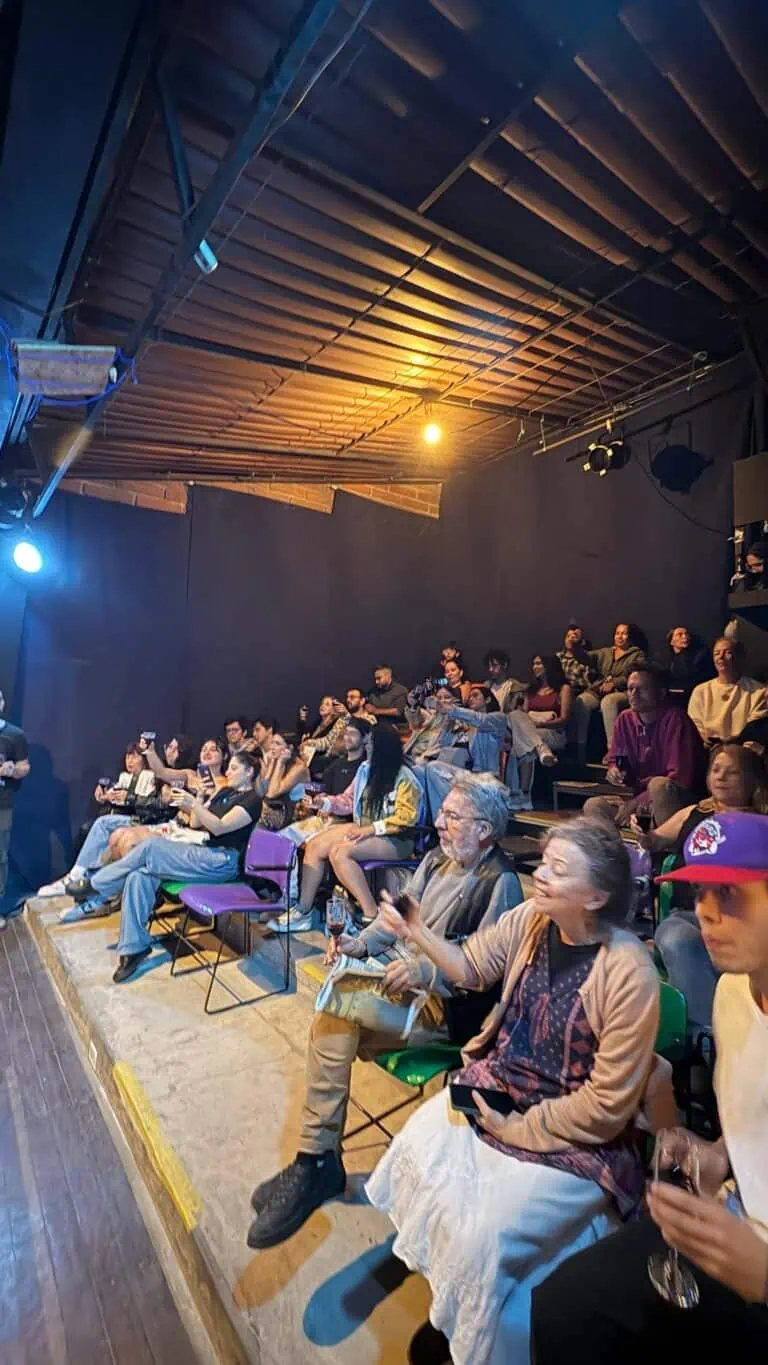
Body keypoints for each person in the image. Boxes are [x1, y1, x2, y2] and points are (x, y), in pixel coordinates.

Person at [364, 816, 660, 1365]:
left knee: (483, 1234)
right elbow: (470, 968)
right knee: (417, 1153)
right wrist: (417, 931)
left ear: (596, 896)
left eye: (558, 869)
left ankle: (481, 1335)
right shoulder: (530, 920)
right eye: (543, 862)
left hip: (577, 1132)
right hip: (506, 1084)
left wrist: (522, 1129)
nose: (540, 874)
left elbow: (607, 1106)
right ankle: (458, 1311)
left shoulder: (628, 971)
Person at [247, 772, 524, 1251]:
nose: (439, 823)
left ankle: (317, 1161)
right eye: (443, 813)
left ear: (484, 829)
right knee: (333, 1013)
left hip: (447, 1011)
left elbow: (485, 972)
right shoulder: (436, 861)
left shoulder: (502, 882)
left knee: (335, 1017)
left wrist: (425, 972)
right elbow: (393, 921)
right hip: (403, 988)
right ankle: (315, 1158)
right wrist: (357, 944)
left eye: (453, 816)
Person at [531, 809, 768, 1363]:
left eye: (729, 893)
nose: (705, 912)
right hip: (732, 1223)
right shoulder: (733, 995)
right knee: (564, 1306)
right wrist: (718, 1155)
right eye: (699, 893)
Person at [68, 751, 263, 982]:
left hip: (223, 861)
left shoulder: (252, 800)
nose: (228, 772)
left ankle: (97, 885)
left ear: (249, 772)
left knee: (151, 847)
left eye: (234, 768)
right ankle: (134, 948)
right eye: (229, 767)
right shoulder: (225, 792)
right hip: (203, 851)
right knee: (139, 875)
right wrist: (200, 798)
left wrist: (194, 804)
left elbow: (220, 827)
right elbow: (196, 822)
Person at [640, 743, 768, 1032]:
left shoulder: (762, 827)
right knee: (676, 936)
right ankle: (706, 1036)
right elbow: (655, 839)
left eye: (731, 772)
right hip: (686, 914)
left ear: (751, 780)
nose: (720, 777)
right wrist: (644, 834)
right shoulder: (695, 812)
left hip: (744, 917)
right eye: (716, 770)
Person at [268, 725, 422, 933]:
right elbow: (348, 800)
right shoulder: (365, 770)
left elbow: (406, 818)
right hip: (365, 826)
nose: (367, 747)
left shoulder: (404, 777)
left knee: (340, 852)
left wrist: (370, 829)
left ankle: (370, 914)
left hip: (396, 837)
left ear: (384, 747)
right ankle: (303, 911)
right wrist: (325, 803)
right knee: (315, 844)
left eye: (371, 743)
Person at [583, 664, 704, 829]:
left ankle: (664, 843)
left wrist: (636, 803)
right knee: (594, 806)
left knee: (659, 786)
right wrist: (614, 770)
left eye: (642, 689)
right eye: (630, 689)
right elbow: (616, 758)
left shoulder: (676, 720)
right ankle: (619, 844)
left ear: (661, 693)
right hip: (638, 798)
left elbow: (679, 779)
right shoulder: (624, 719)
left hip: (673, 800)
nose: (634, 694)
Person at [422, 686, 508, 819]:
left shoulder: (498, 718)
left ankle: (444, 819)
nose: (471, 699)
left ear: (488, 699)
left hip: (483, 776)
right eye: (470, 696)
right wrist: (448, 719)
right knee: (419, 770)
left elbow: (480, 720)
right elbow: (443, 744)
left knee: (434, 768)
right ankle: (431, 819)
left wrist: (452, 710)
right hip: (463, 774)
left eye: (475, 695)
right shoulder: (465, 725)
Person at [688, 637, 768, 745]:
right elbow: (695, 723)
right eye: (716, 653)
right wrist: (707, 741)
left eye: (728, 653)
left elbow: (755, 728)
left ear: (739, 657)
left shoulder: (758, 690)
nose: (720, 657)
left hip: (742, 749)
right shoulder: (701, 691)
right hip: (707, 748)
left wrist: (733, 741)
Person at [589, 623, 647, 749]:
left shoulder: (637, 654)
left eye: (624, 633)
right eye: (617, 633)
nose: (620, 636)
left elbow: (634, 674)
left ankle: (613, 748)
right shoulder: (605, 652)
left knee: (609, 702)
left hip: (624, 691)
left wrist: (615, 683)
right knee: (582, 702)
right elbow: (586, 658)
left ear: (630, 636)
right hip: (600, 689)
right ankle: (578, 746)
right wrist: (575, 647)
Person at [0, 687, 30, 927]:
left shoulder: (14, 735)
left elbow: (24, 766)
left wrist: (12, 770)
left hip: (3, 804)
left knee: (0, 856)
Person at [557, 625, 601, 761]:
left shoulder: (586, 658)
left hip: (579, 691)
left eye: (574, 636)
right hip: (560, 691)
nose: (571, 639)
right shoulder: (557, 658)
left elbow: (591, 679)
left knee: (579, 703)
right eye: (568, 636)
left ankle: (579, 746)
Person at [404, 685, 465, 764]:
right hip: (408, 756)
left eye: (447, 697)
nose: (442, 701)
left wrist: (421, 759)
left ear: (455, 700)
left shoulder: (458, 723)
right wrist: (412, 705)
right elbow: (415, 723)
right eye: (439, 698)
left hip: (426, 762)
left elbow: (444, 749)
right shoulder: (432, 716)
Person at [524, 654, 573, 753]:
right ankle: (545, 754)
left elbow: (564, 719)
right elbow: (523, 714)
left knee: (526, 737)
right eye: (534, 664)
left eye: (538, 664)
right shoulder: (531, 689)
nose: (534, 667)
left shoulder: (563, 688)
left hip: (554, 732)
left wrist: (540, 724)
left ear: (548, 665)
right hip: (531, 730)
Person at [662, 624, 712, 699]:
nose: (685, 636)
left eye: (686, 634)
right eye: (680, 634)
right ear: (672, 641)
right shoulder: (666, 660)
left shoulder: (699, 656)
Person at [303, 696, 349, 778]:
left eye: (327, 704)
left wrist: (346, 714)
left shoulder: (342, 721)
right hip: (321, 754)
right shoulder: (319, 722)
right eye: (322, 703)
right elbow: (326, 740)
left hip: (333, 757)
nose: (322, 706)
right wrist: (308, 742)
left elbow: (329, 743)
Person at [483, 649, 524, 714]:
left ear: (505, 665)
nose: (490, 669)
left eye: (494, 665)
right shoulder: (486, 686)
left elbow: (518, 712)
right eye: (489, 666)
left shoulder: (515, 687)